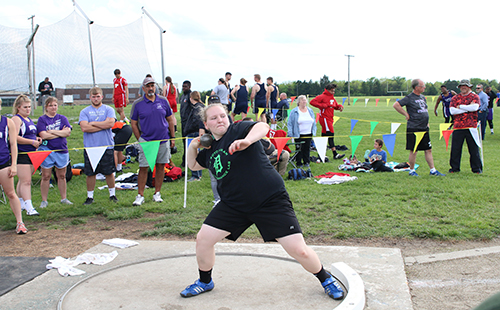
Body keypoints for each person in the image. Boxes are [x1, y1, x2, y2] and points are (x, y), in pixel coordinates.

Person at [181, 103, 345, 300]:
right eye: (214, 118)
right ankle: (205, 281)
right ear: (206, 124)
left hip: (269, 199)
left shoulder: (238, 130)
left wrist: (247, 141)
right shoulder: (210, 150)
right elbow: (193, 164)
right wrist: (193, 146)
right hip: (234, 204)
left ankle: (325, 278)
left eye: (223, 116)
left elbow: (263, 127)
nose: (220, 120)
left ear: (228, 118)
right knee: (203, 239)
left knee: (299, 250)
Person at [130, 77, 175, 206]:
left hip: (163, 140)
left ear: (155, 87)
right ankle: (140, 195)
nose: (150, 88)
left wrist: (172, 138)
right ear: (143, 88)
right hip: (147, 141)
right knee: (143, 168)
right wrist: (139, 139)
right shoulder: (137, 104)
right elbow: (133, 123)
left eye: (152, 86)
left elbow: (170, 120)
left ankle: (157, 193)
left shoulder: (163, 101)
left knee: (161, 166)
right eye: (148, 86)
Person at [393, 79, 445, 177]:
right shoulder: (409, 98)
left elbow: (424, 110)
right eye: (423, 86)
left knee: (428, 149)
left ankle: (433, 170)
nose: (424, 87)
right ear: (416, 87)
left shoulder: (422, 97)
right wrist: (405, 114)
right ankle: (412, 171)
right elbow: (396, 105)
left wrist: (427, 122)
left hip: (424, 127)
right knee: (414, 150)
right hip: (414, 128)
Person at [79, 86, 118, 205]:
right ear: (90, 97)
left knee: (109, 172)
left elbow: (111, 123)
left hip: (107, 146)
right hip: (91, 147)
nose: (96, 99)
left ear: (102, 96)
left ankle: (112, 194)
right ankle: (90, 197)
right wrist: (103, 124)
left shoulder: (109, 109)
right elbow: (84, 127)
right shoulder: (85, 111)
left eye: (98, 96)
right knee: (91, 173)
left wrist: (94, 123)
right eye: (93, 97)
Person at [36, 97, 73, 208]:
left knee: (61, 175)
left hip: (61, 150)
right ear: (46, 107)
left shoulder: (62, 118)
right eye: (51, 105)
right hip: (47, 150)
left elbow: (67, 133)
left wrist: (52, 131)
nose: (53, 107)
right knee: (46, 176)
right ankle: (44, 201)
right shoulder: (42, 119)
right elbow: (43, 135)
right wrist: (59, 133)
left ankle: (64, 198)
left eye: (55, 105)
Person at [0, 98, 27, 234]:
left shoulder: (7, 122)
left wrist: (14, 165)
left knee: (10, 193)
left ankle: (20, 223)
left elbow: (13, 144)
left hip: (3, 163)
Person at [12, 95, 42, 216]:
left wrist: (36, 139)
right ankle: (29, 207)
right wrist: (31, 142)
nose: (28, 109)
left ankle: (21, 203)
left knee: (23, 180)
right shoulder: (17, 119)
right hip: (22, 153)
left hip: (31, 153)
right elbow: (14, 137)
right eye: (25, 107)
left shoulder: (28, 119)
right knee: (26, 181)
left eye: (29, 107)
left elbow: (29, 134)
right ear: (18, 108)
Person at [449, 79, 482, 174]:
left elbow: (475, 107)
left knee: (473, 149)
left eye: (465, 86)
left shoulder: (474, 96)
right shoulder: (455, 98)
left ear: (469, 87)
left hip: (471, 126)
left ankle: (476, 169)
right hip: (458, 126)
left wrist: (460, 106)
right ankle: (454, 168)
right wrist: (467, 108)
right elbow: (452, 111)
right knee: (455, 149)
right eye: (462, 86)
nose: (463, 87)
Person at [309, 83, 345, 160]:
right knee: (330, 134)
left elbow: (334, 106)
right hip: (325, 118)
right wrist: (323, 106)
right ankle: (334, 154)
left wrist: (340, 107)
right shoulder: (322, 96)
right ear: (328, 90)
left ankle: (321, 154)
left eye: (334, 91)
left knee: (325, 135)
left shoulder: (332, 97)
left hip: (330, 118)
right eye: (332, 91)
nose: (333, 92)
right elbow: (312, 102)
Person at [287, 95, 316, 168]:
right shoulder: (294, 111)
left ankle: (306, 162)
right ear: (299, 102)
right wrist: (290, 133)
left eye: (305, 100)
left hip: (309, 133)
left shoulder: (310, 110)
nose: (304, 102)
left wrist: (314, 130)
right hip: (298, 133)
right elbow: (290, 123)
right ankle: (299, 162)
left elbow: (314, 121)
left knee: (307, 148)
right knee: (299, 149)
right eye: (303, 100)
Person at [184, 91, 205, 181]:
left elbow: (197, 121)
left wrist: (188, 129)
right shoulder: (201, 107)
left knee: (193, 154)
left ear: (191, 98)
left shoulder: (197, 108)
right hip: (196, 132)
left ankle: (195, 175)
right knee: (197, 153)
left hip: (194, 133)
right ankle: (198, 174)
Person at [179, 80, 192, 166]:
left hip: (189, 123)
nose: (183, 88)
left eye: (185, 86)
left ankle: (188, 160)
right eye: (183, 86)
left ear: (189, 87)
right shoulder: (182, 96)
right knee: (184, 142)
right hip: (183, 123)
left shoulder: (190, 96)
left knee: (189, 142)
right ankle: (185, 160)